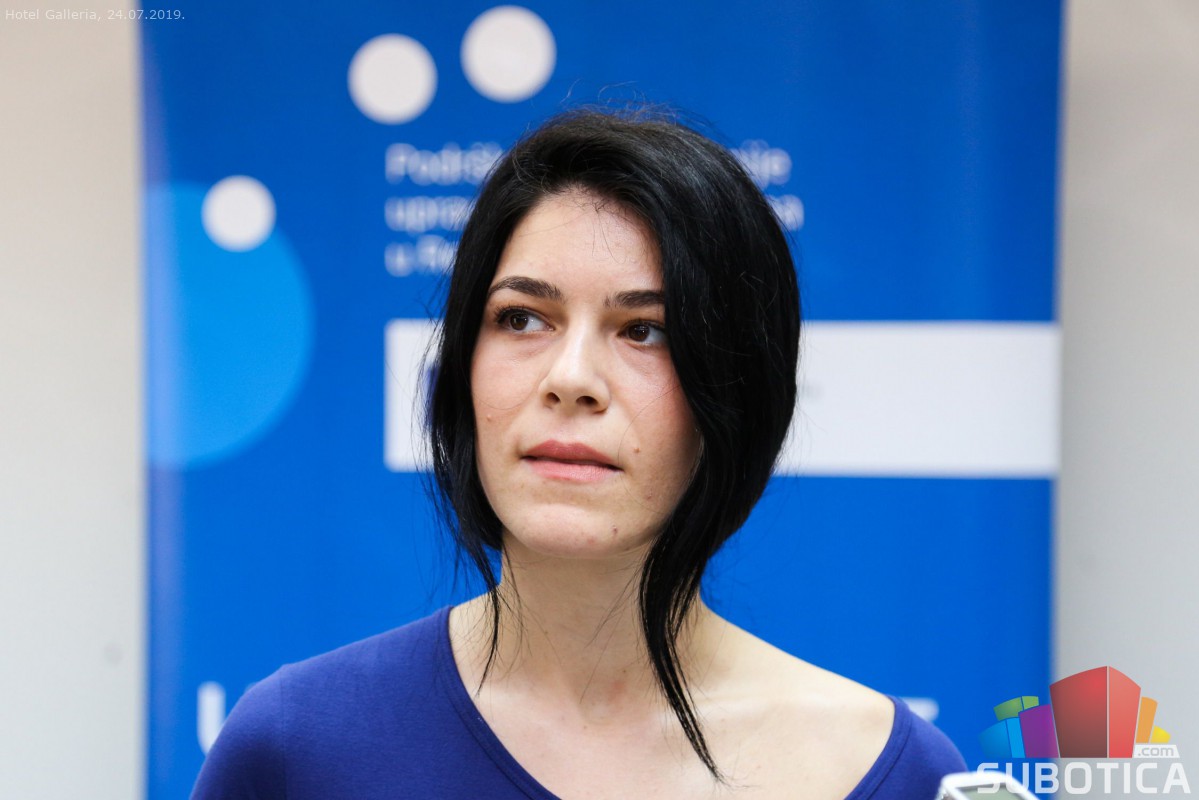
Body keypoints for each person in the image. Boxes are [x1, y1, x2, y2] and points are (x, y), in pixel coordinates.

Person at [191, 108, 966, 799]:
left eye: (644, 331)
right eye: (522, 318)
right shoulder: (297, 748)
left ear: (735, 394)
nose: (570, 379)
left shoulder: (896, 772)